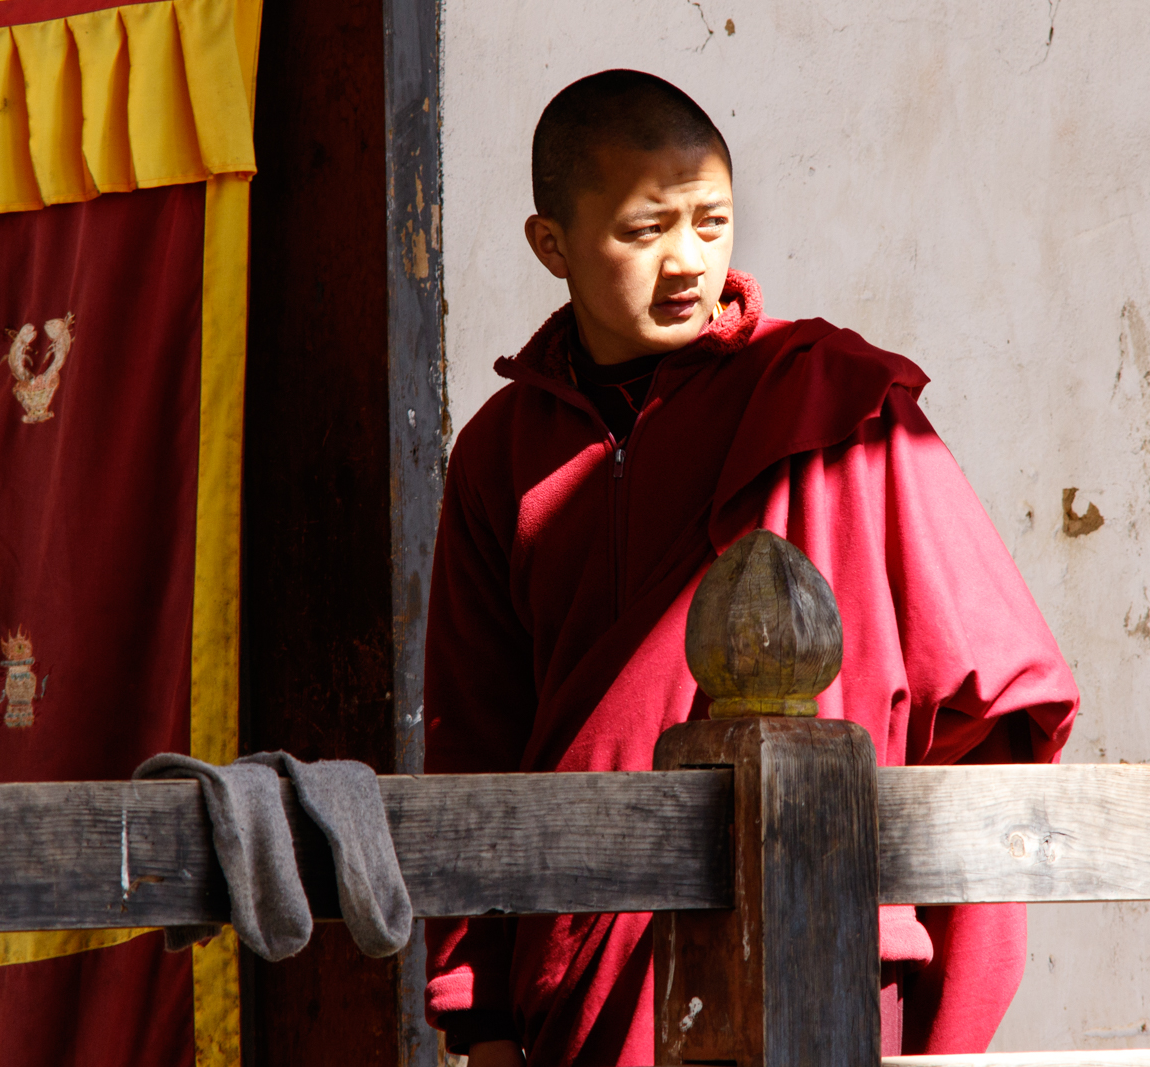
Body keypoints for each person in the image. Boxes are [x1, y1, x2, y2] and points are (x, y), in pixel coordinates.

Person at [423, 70, 1079, 1067]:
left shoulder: (833, 405)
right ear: (550, 244)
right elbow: (475, 737)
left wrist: (948, 1013)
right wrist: (479, 1017)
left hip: (823, 937)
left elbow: (996, 711)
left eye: (712, 221)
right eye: (646, 230)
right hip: (582, 953)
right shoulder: (501, 456)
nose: (688, 260)